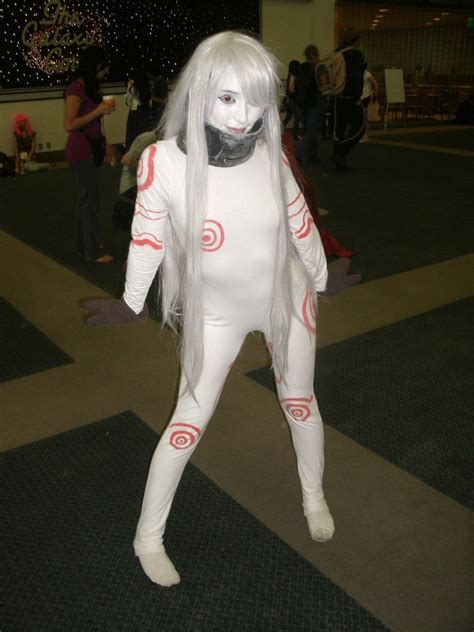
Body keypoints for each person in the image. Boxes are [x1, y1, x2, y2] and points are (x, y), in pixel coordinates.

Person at [83, 31, 358, 588]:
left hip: (286, 298)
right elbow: (147, 239)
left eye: (256, 99)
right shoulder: (162, 161)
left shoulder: (268, 152)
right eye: (228, 97)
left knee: (301, 404)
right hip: (216, 314)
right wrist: (132, 303)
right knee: (187, 421)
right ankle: (147, 537)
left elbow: (300, 221)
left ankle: (313, 496)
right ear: (200, 91)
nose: (244, 115)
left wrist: (323, 279)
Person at [64, 46, 115, 264]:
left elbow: (94, 123)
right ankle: (91, 250)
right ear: (94, 66)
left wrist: (106, 145)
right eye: (103, 68)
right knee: (89, 202)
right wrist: (99, 110)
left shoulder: (88, 88)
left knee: (87, 200)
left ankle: (85, 244)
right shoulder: (75, 89)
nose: (105, 72)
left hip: (89, 149)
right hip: (80, 150)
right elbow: (70, 124)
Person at [332, 29, 366, 172]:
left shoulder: (337, 52)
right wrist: (358, 96)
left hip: (337, 97)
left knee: (338, 128)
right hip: (351, 98)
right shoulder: (356, 55)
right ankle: (340, 153)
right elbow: (357, 77)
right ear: (356, 40)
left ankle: (338, 159)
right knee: (359, 128)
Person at [294, 45, 326, 167]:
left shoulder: (301, 67)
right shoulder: (319, 66)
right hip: (316, 101)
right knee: (312, 130)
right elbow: (323, 86)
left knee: (308, 128)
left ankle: (313, 155)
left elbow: (296, 85)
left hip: (302, 102)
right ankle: (299, 152)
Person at [125, 68, 152, 150]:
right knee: (143, 134)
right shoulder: (147, 88)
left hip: (135, 113)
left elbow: (128, 102)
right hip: (145, 112)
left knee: (133, 134)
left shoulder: (133, 88)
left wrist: (128, 87)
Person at [281, 60, 301, 139]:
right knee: (297, 117)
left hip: (288, 100)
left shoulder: (289, 74)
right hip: (292, 100)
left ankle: (279, 131)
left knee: (288, 117)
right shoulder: (293, 75)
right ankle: (294, 135)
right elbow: (291, 88)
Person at [360, 69, 379, 142]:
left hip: (366, 98)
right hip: (362, 98)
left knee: (366, 118)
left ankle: (365, 135)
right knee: (363, 118)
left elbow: (376, 84)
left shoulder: (366, 73)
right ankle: (363, 135)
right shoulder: (361, 73)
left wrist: (375, 97)